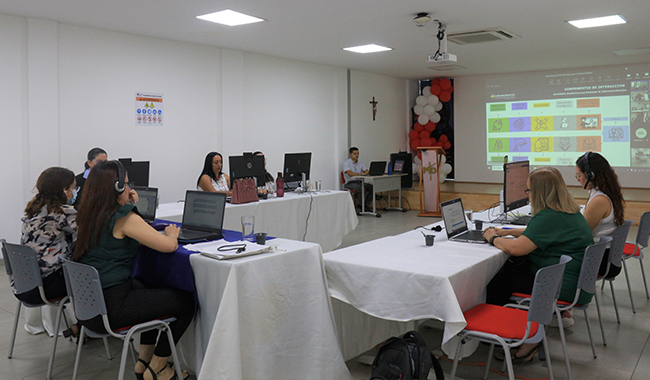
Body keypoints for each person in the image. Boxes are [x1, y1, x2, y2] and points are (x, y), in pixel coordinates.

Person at [73, 161, 193, 380]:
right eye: (127, 185)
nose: (130, 189)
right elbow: (168, 246)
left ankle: (143, 363)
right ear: (116, 188)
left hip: (89, 308)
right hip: (113, 307)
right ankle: (159, 367)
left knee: (147, 286)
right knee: (186, 302)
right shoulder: (124, 216)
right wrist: (172, 234)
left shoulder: (87, 214)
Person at [482, 167, 593, 361]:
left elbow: (517, 249)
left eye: (529, 190)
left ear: (540, 192)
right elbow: (537, 232)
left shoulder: (549, 217)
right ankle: (523, 334)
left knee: (498, 279)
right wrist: (505, 231)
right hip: (572, 282)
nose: (527, 194)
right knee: (510, 270)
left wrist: (492, 238)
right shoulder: (567, 211)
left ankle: (500, 335)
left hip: (557, 286)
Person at [18, 167, 77, 305]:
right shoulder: (65, 213)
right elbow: (88, 236)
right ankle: (82, 324)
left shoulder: (34, 208)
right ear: (64, 190)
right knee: (95, 280)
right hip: (45, 287)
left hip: (24, 285)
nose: (74, 193)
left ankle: (76, 326)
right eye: (73, 188)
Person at [576, 151, 625, 277]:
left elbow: (580, 233)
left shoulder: (599, 200)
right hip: (602, 254)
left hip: (599, 260)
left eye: (579, 175)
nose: (578, 179)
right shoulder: (602, 193)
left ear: (590, 175)